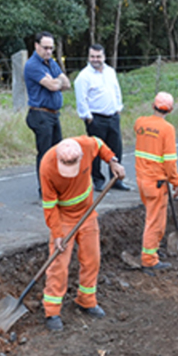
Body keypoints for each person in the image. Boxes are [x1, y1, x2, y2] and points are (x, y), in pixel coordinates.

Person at [39, 136, 126, 332]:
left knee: (91, 258)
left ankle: (86, 300)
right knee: (58, 264)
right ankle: (52, 311)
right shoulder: (47, 165)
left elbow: (101, 144)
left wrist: (113, 162)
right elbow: (49, 205)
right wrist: (57, 232)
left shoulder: (86, 145)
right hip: (63, 218)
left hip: (87, 214)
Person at [133, 92, 178, 272]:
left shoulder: (140, 122)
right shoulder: (167, 129)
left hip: (142, 180)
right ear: (170, 110)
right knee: (154, 221)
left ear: (153, 106)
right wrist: (175, 181)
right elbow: (169, 161)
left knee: (152, 218)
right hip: (156, 182)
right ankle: (149, 259)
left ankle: (152, 251)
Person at [74, 44, 129, 192]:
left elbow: (116, 90)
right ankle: (97, 180)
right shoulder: (84, 76)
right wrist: (87, 117)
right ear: (88, 57)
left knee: (116, 149)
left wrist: (118, 108)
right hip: (96, 118)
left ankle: (116, 179)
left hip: (113, 116)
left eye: (98, 56)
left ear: (104, 57)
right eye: (92, 56)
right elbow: (81, 99)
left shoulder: (110, 71)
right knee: (96, 152)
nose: (95, 59)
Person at [24, 31, 71, 196]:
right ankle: (44, 190)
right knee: (45, 154)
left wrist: (55, 81)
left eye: (51, 48)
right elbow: (53, 86)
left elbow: (67, 84)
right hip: (40, 114)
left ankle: (55, 186)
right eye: (45, 48)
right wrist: (56, 82)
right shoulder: (33, 65)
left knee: (57, 153)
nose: (48, 51)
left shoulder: (51, 63)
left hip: (53, 114)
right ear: (36, 46)